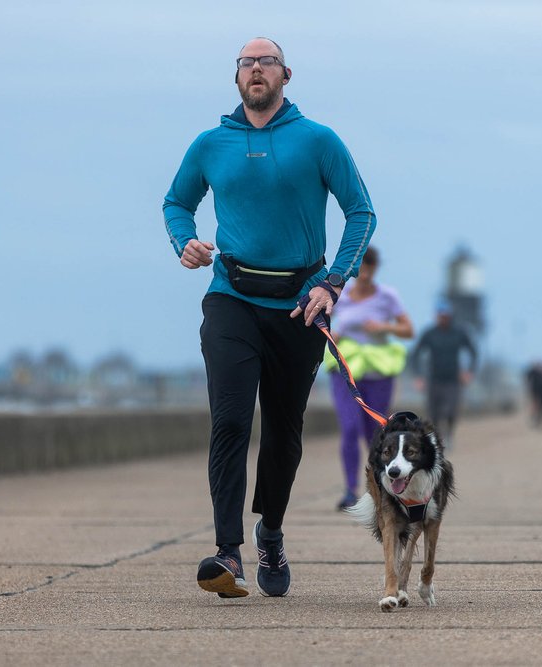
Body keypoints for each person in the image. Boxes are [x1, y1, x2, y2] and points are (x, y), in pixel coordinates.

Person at [162, 37, 376, 599]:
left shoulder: (318, 140)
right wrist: (184, 241)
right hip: (230, 296)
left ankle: (270, 533)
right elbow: (176, 202)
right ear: (237, 78)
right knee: (230, 421)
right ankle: (228, 554)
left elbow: (362, 211)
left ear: (286, 75)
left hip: (299, 305)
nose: (256, 69)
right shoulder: (212, 144)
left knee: (283, 434)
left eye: (267, 62)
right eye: (247, 63)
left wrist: (331, 283)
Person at [325, 246, 414, 510]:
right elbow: (322, 319)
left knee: (374, 433)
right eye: (360, 269)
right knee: (350, 428)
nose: (364, 274)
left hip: (378, 371)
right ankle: (350, 489)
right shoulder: (341, 295)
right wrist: (333, 333)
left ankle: (380, 486)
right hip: (346, 369)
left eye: (369, 268)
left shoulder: (387, 296)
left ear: (375, 268)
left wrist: (383, 327)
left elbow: (408, 330)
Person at [410, 300, 478, 446]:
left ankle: (449, 434)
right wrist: (418, 376)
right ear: (436, 316)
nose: (443, 318)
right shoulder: (430, 333)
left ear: (450, 316)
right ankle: (436, 439)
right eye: (441, 315)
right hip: (434, 379)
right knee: (433, 413)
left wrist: (469, 371)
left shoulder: (460, 333)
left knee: (451, 410)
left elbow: (473, 352)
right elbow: (415, 354)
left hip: (453, 380)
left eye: (446, 315)